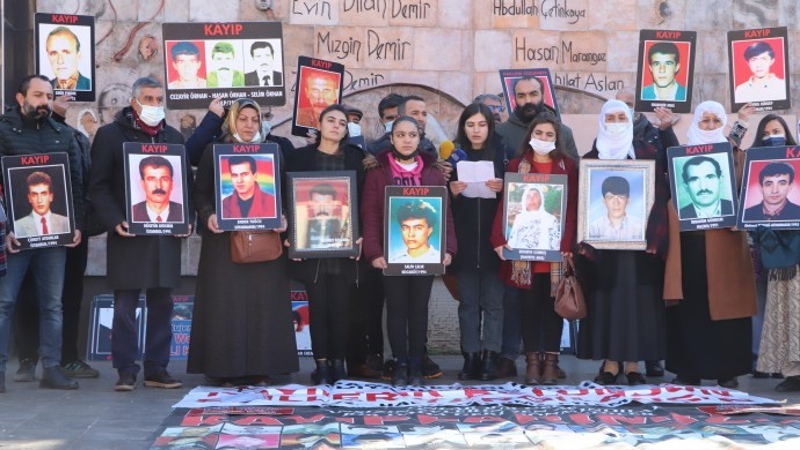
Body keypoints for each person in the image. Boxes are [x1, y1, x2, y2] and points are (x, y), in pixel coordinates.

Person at [89, 77, 192, 392]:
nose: (154, 104)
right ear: (134, 102)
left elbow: (185, 184)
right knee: (124, 307)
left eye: (159, 99)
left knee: (162, 305)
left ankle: (157, 369)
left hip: (165, 236)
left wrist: (187, 220)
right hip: (128, 235)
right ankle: (126, 370)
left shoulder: (174, 137)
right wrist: (114, 220)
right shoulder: (110, 135)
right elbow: (98, 186)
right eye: (148, 99)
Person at [188, 98, 297, 386]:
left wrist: (285, 217)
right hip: (222, 246)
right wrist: (209, 214)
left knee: (264, 303)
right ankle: (224, 369)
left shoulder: (274, 152)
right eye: (243, 118)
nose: (249, 125)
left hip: (266, 242)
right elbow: (199, 193)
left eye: (255, 119)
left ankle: (262, 367)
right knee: (226, 304)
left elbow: (286, 192)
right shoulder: (213, 151)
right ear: (231, 121)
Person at [0, 75, 85, 393]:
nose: (44, 102)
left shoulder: (63, 134)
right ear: (21, 98)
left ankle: (52, 369)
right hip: (14, 237)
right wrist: (5, 229)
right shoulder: (3, 131)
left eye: (49, 96)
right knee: (4, 302)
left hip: (54, 236)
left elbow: (75, 185)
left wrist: (76, 224)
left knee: (53, 305)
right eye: (38, 95)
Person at [576, 99, 670, 386]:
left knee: (636, 302)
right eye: (611, 117)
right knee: (606, 302)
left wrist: (653, 237)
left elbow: (661, 192)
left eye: (621, 117)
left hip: (639, 247)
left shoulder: (647, 154)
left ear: (630, 121)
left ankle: (632, 364)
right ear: (602, 121)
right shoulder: (590, 159)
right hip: (601, 250)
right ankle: (610, 362)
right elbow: (583, 202)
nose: (616, 122)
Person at [664, 100, 757, 388]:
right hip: (688, 244)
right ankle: (688, 369)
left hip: (725, 244)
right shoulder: (681, 155)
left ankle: (727, 370)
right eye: (705, 121)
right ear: (695, 123)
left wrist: (741, 122)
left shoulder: (735, 155)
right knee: (690, 308)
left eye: (716, 121)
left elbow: (745, 188)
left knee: (726, 308)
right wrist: (665, 129)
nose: (710, 126)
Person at [361, 116, 456, 385]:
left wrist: (448, 248)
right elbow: (370, 214)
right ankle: (400, 363)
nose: (406, 140)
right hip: (391, 255)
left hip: (426, 255)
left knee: (419, 310)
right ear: (391, 139)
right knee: (396, 309)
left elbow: (445, 215)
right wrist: (374, 252)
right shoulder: (378, 172)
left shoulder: (433, 172)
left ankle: (416, 364)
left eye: (412, 135)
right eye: (400, 135)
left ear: (419, 138)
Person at [494, 76, 578, 378]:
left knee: (554, 308)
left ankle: (551, 363)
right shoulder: (517, 166)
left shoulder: (567, 167)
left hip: (556, 253)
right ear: (531, 135)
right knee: (527, 308)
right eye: (539, 132)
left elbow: (572, 208)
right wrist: (498, 238)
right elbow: (506, 206)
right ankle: (531, 362)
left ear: (557, 137)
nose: (543, 137)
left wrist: (567, 244)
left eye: (549, 133)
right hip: (524, 254)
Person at [12, 94, 99, 383]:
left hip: (69, 228)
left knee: (68, 296)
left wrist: (80, 224)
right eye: (45, 96)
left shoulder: (75, 138)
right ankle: (27, 359)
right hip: (26, 231)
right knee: (26, 294)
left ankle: (66, 358)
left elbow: (83, 182)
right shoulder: (14, 134)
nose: (52, 102)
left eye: (52, 97)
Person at [285, 104, 367, 384]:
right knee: (318, 307)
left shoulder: (356, 160)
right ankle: (321, 365)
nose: (336, 126)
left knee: (342, 308)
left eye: (342, 123)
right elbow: (288, 199)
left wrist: (361, 234)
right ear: (319, 125)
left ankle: (338, 364)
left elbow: (365, 202)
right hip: (311, 247)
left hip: (344, 245)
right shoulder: (299, 158)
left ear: (346, 131)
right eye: (330, 120)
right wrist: (291, 235)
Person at [448, 103, 507, 381]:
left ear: (490, 126)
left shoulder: (503, 153)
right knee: (468, 303)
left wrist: (504, 188)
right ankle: (470, 356)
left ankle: (490, 357)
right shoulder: (453, 156)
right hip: (464, 240)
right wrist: (452, 192)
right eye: (470, 124)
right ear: (463, 127)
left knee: (494, 303)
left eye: (481, 124)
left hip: (495, 242)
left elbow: (517, 199)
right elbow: (441, 203)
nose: (476, 130)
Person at [748, 114, 800, 391]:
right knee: (781, 312)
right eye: (766, 133)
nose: (772, 137)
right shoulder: (753, 201)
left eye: (777, 131)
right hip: (772, 256)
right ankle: (792, 373)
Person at [496, 76, 578, 160]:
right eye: (521, 96)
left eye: (533, 94)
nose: (528, 100)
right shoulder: (499, 133)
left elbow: (573, 166)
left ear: (544, 97)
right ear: (514, 100)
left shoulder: (564, 132)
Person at [368, 96, 437, 157]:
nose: (421, 119)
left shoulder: (428, 145)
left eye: (424, 114)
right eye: (390, 118)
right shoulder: (377, 149)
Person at [13, 171, 70, 237]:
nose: (39, 200)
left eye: (43, 194)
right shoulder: (17, 226)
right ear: (29, 198)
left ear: (51, 197)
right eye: (34, 195)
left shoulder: (66, 222)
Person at [588, 176, 644, 241]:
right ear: (604, 200)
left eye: (621, 197)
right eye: (610, 197)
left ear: (628, 200)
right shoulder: (593, 229)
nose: (616, 203)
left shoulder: (640, 228)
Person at [221, 155, 277, 219]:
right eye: (235, 175)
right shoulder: (224, 204)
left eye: (244, 174)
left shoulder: (272, 203)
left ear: (255, 176)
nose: (239, 180)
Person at [131, 156, 184, 223]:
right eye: (152, 179)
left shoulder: (183, 213)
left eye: (164, 179)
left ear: (171, 184)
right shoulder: (132, 213)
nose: (159, 186)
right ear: (143, 184)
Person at [305, 183, 343, 249]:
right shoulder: (304, 227)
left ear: (334, 205)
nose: (322, 208)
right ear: (311, 205)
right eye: (317, 203)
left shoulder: (342, 226)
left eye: (327, 203)